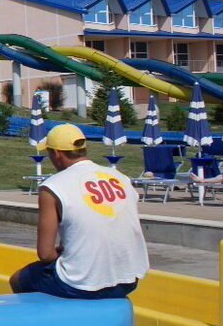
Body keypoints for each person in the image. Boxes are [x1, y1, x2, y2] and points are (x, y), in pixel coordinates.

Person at [10, 123, 149, 299]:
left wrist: (59, 253)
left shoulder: (52, 187)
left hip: (80, 283)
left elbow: (45, 253)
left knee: (18, 279)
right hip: (128, 278)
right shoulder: (120, 178)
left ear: (56, 154)